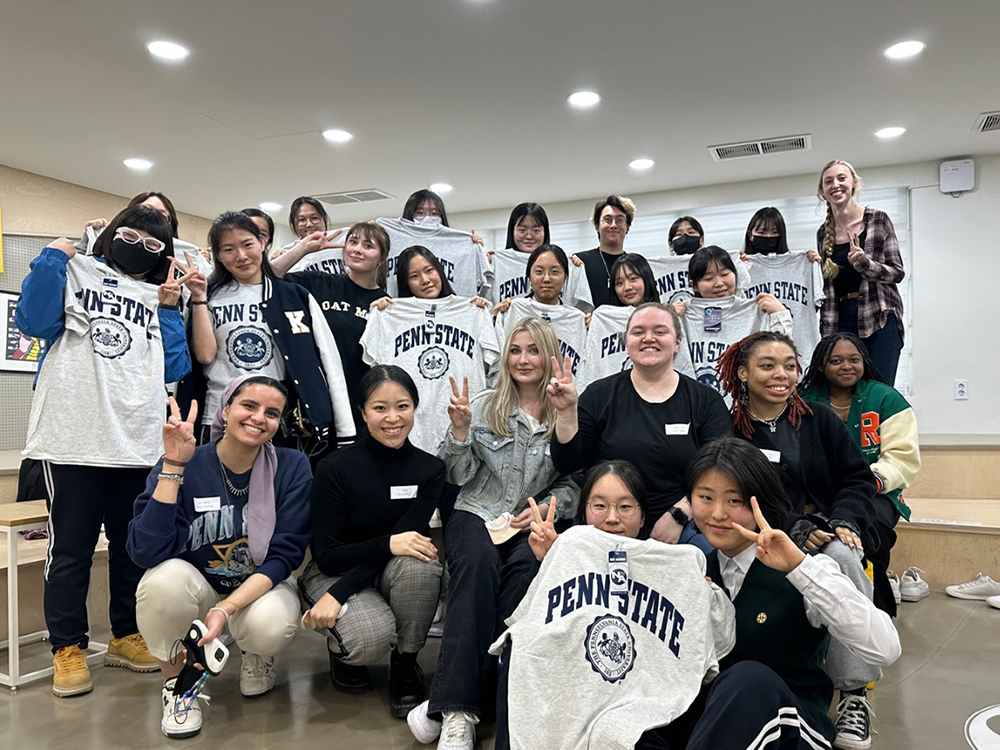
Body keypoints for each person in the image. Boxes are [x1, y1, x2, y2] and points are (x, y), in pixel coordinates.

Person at [15, 204, 193, 697]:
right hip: (73, 438)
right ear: (113, 234)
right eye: (132, 236)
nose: (141, 249)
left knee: (130, 550)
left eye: (155, 245)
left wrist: (168, 309)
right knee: (70, 549)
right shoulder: (77, 271)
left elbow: (173, 366)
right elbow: (32, 321)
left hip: (136, 442)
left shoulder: (157, 295)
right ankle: (67, 649)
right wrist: (53, 256)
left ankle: (125, 634)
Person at [634, 437, 899, 750]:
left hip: (790, 723)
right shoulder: (693, 570)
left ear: (763, 500)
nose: (717, 514)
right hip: (716, 723)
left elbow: (885, 649)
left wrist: (800, 569)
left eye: (734, 501)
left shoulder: (805, 568)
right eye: (705, 497)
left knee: (747, 680)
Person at [406, 317, 579, 750]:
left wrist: (544, 507)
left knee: (524, 580)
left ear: (549, 355)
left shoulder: (569, 410)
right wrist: (460, 433)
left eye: (533, 350)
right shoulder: (483, 406)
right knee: (477, 570)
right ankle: (459, 714)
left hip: (533, 521)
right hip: (476, 512)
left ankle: (456, 701)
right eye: (515, 350)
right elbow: (458, 475)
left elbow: (577, 481)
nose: (523, 359)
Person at [490, 461, 736, 750]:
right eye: (600, 506)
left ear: (643, 516)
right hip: (570, 691)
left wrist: (696, 590)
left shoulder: (676, 564)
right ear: (583, 513)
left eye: (625, 507)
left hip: (638, 709)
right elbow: (526, 628)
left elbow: (717, 640)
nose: (612, 518)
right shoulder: (569, 546)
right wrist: (549, 562)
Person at [716, 331, 885, 749]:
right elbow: (739, 493)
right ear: (743, 372)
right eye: (768, 365)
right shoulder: (730, 429)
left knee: (844, 556)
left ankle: (853, 693)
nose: (782, 375)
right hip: (761, 531)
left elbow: (856, 479)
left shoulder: (819, 418)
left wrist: (844, 518)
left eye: (790, 365)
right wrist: (796, 527)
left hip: (826, 526)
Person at [128, 376, 311, 739]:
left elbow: (283, 557)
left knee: (271, 623)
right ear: (225, 410)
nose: (259, 418)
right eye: (249, 406)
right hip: (199, 585)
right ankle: (179, 686)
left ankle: (255, 652)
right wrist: (175, 467)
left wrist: (227, 609)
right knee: (161, 583)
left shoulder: (292, 467)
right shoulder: (187, 460)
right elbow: (145, 550)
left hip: (259, 585)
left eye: (272, 413)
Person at [299, 365, 445, 717]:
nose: (392, 418)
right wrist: (338, 590)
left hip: (382, 570)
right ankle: (344, 651)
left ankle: (406, 663)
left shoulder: (430, 469)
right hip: (334, 571)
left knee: (421, 562)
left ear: (415, 407)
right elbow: (330, 557)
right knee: (368, 638)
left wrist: (387, 550)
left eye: (402, 406)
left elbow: (404, 544)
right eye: (380, 408)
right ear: (362, 412)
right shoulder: (334, 468)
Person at [548, 302, 732, 548]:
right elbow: (568, 464)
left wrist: (680, 514)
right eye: (638, 332)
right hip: (606, 522)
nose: (648, 338)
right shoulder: (599, 395)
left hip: (680, 524)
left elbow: (722, 472)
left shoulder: (705, 401)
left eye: (659, 331)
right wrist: (566, 412)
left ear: (677, 342)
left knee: (710, 559)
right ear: (627, 341)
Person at [186, 211, 355, 449]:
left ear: (262, 243)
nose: (241, 256)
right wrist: (199, 299)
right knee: (216, 486)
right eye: (228, 249)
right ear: (218, 257)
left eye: (247, 244)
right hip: (220, 416)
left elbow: (329, 363)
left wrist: (344, 430)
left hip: (275, 420)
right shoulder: (209, 296)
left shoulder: (294, 297)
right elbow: (204, 356)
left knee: (278, 485)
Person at [799, 333, 921, 615]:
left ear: (864, 361)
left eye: (854, 360)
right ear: (820, 365)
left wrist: (867, 482)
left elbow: (902, 458)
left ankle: (873, 607)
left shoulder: (886, 399)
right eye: (836, 360)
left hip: (875, 492)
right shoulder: (804, 400)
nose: (847, 366)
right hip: (818, 494)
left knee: (868, 529)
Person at [270, 221, 391, 434]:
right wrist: (304, 248)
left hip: (356, 407)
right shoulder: (319, 283)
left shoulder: (385, 305)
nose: (357, 250)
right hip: (313, 405)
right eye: (353, 242)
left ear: (382, 258)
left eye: (368, 245)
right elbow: (269, 277)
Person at [816, 159, 905, 385]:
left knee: (880, 389)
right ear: (822, 191)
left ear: (853, 183)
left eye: (841, 178)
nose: (835, 184)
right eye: (828, 181)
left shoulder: (878, 219)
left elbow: (897, 272)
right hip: (840, 319)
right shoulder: (822, 234)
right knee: (844, 390)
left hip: (879, 317)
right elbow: (828, 287)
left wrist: (865, 264)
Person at [492, 246, 588, 381]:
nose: (547, 278)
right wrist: (494, 317)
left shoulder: (578, 320)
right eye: (539, 272)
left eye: (554, 272)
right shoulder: (511, 311)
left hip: (561, 398)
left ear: (565, 277)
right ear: (529, 276)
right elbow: (495, 362)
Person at [485, 203, 594, 312]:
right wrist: (485, 264)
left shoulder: (568, 263)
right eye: (522, 230)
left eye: (536, 230)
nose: (529, 236)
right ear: (512, 231)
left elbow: (584, 312)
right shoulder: (495, 262)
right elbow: (482, 307)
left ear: (545, 232)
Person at [572, 195, 636, 308]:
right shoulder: (581, 261)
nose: (613, 225)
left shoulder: (636, 265)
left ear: (627, 227)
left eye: (620, 220)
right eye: (607, 220)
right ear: (597, 226)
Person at [401, 188, 484, 246]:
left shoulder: (453, 245)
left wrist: (473, 248)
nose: (427, 218)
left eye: (434, 213)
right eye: (420, 212)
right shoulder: (394, 242)